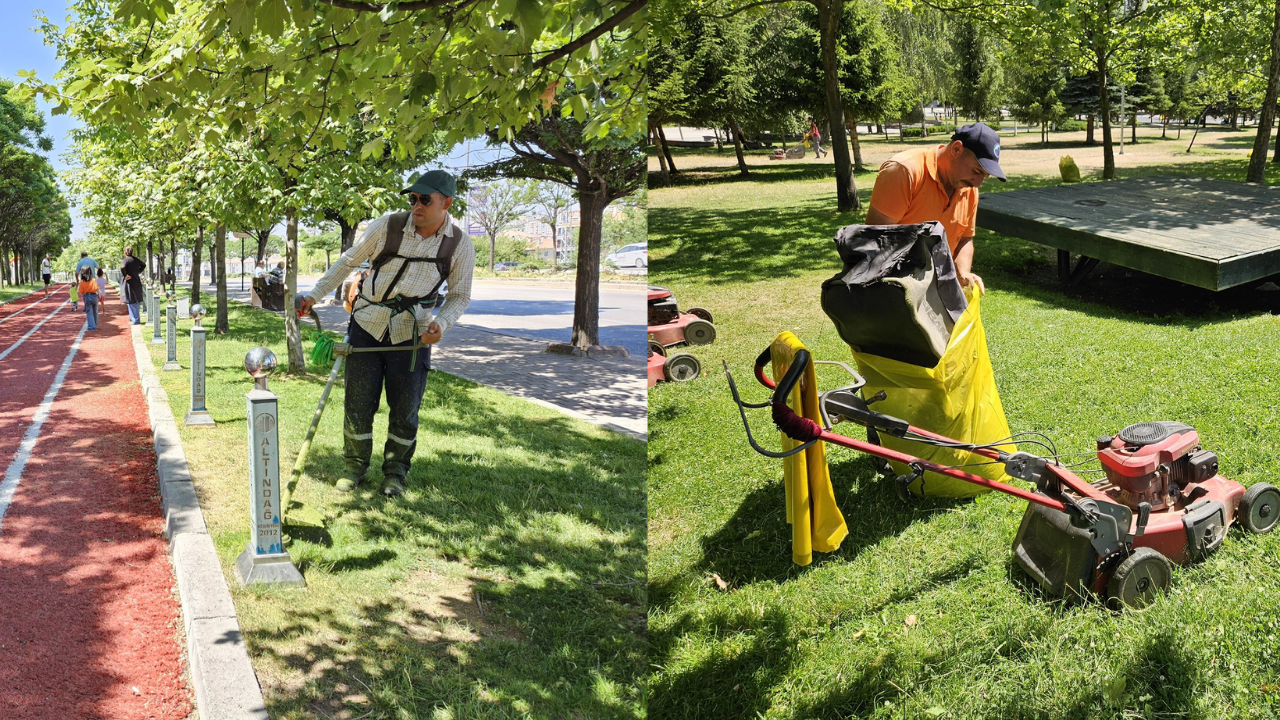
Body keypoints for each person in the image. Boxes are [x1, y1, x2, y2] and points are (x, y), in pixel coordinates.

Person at [296, 169, 475, 497]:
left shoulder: (460, 245)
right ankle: (354, 467)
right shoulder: (387, 226)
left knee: (405, 410)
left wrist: (442, 324)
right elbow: (348, 262)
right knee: (358, 404)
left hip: (413, 335)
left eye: (425, 199)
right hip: (367, 325)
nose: (416, 205)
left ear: (446, 203)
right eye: (413, 198)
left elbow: (460, 295)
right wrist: (314, 294)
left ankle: (395, 473)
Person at [865, 122, 1007, 296]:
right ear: (956, 149)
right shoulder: (905, 171)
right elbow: (875, 241)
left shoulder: (969, 190)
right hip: (891, 288)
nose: (977, 183)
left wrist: (962, 272)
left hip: (936, 290)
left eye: (984, 176)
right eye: (976, 171)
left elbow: (965, 239)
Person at [121, 246, 147, 325]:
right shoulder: (136, 259)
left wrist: (125, 275)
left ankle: (135, 319)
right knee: (136, 300)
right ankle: (135, 318)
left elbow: (122, 267)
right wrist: (137, 272)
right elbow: (143, 265)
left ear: (125, 252)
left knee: (130, 301)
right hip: (136, 281)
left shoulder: (125, 260)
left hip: (129, 282)